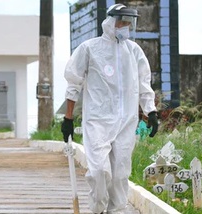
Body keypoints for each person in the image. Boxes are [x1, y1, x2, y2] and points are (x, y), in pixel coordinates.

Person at [61, 4, 159, 214]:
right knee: (99, 172)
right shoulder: (89, 48)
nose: (125, 26)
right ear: (110, 22)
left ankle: (117, 211)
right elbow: (74, 83)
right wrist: (68, 119)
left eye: (128, 22)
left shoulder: (134, 52)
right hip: (98, 122)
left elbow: (144, 84)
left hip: (126, 123)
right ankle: (98, 209)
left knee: (120, 175)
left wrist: (151, 112)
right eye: (121, 21)